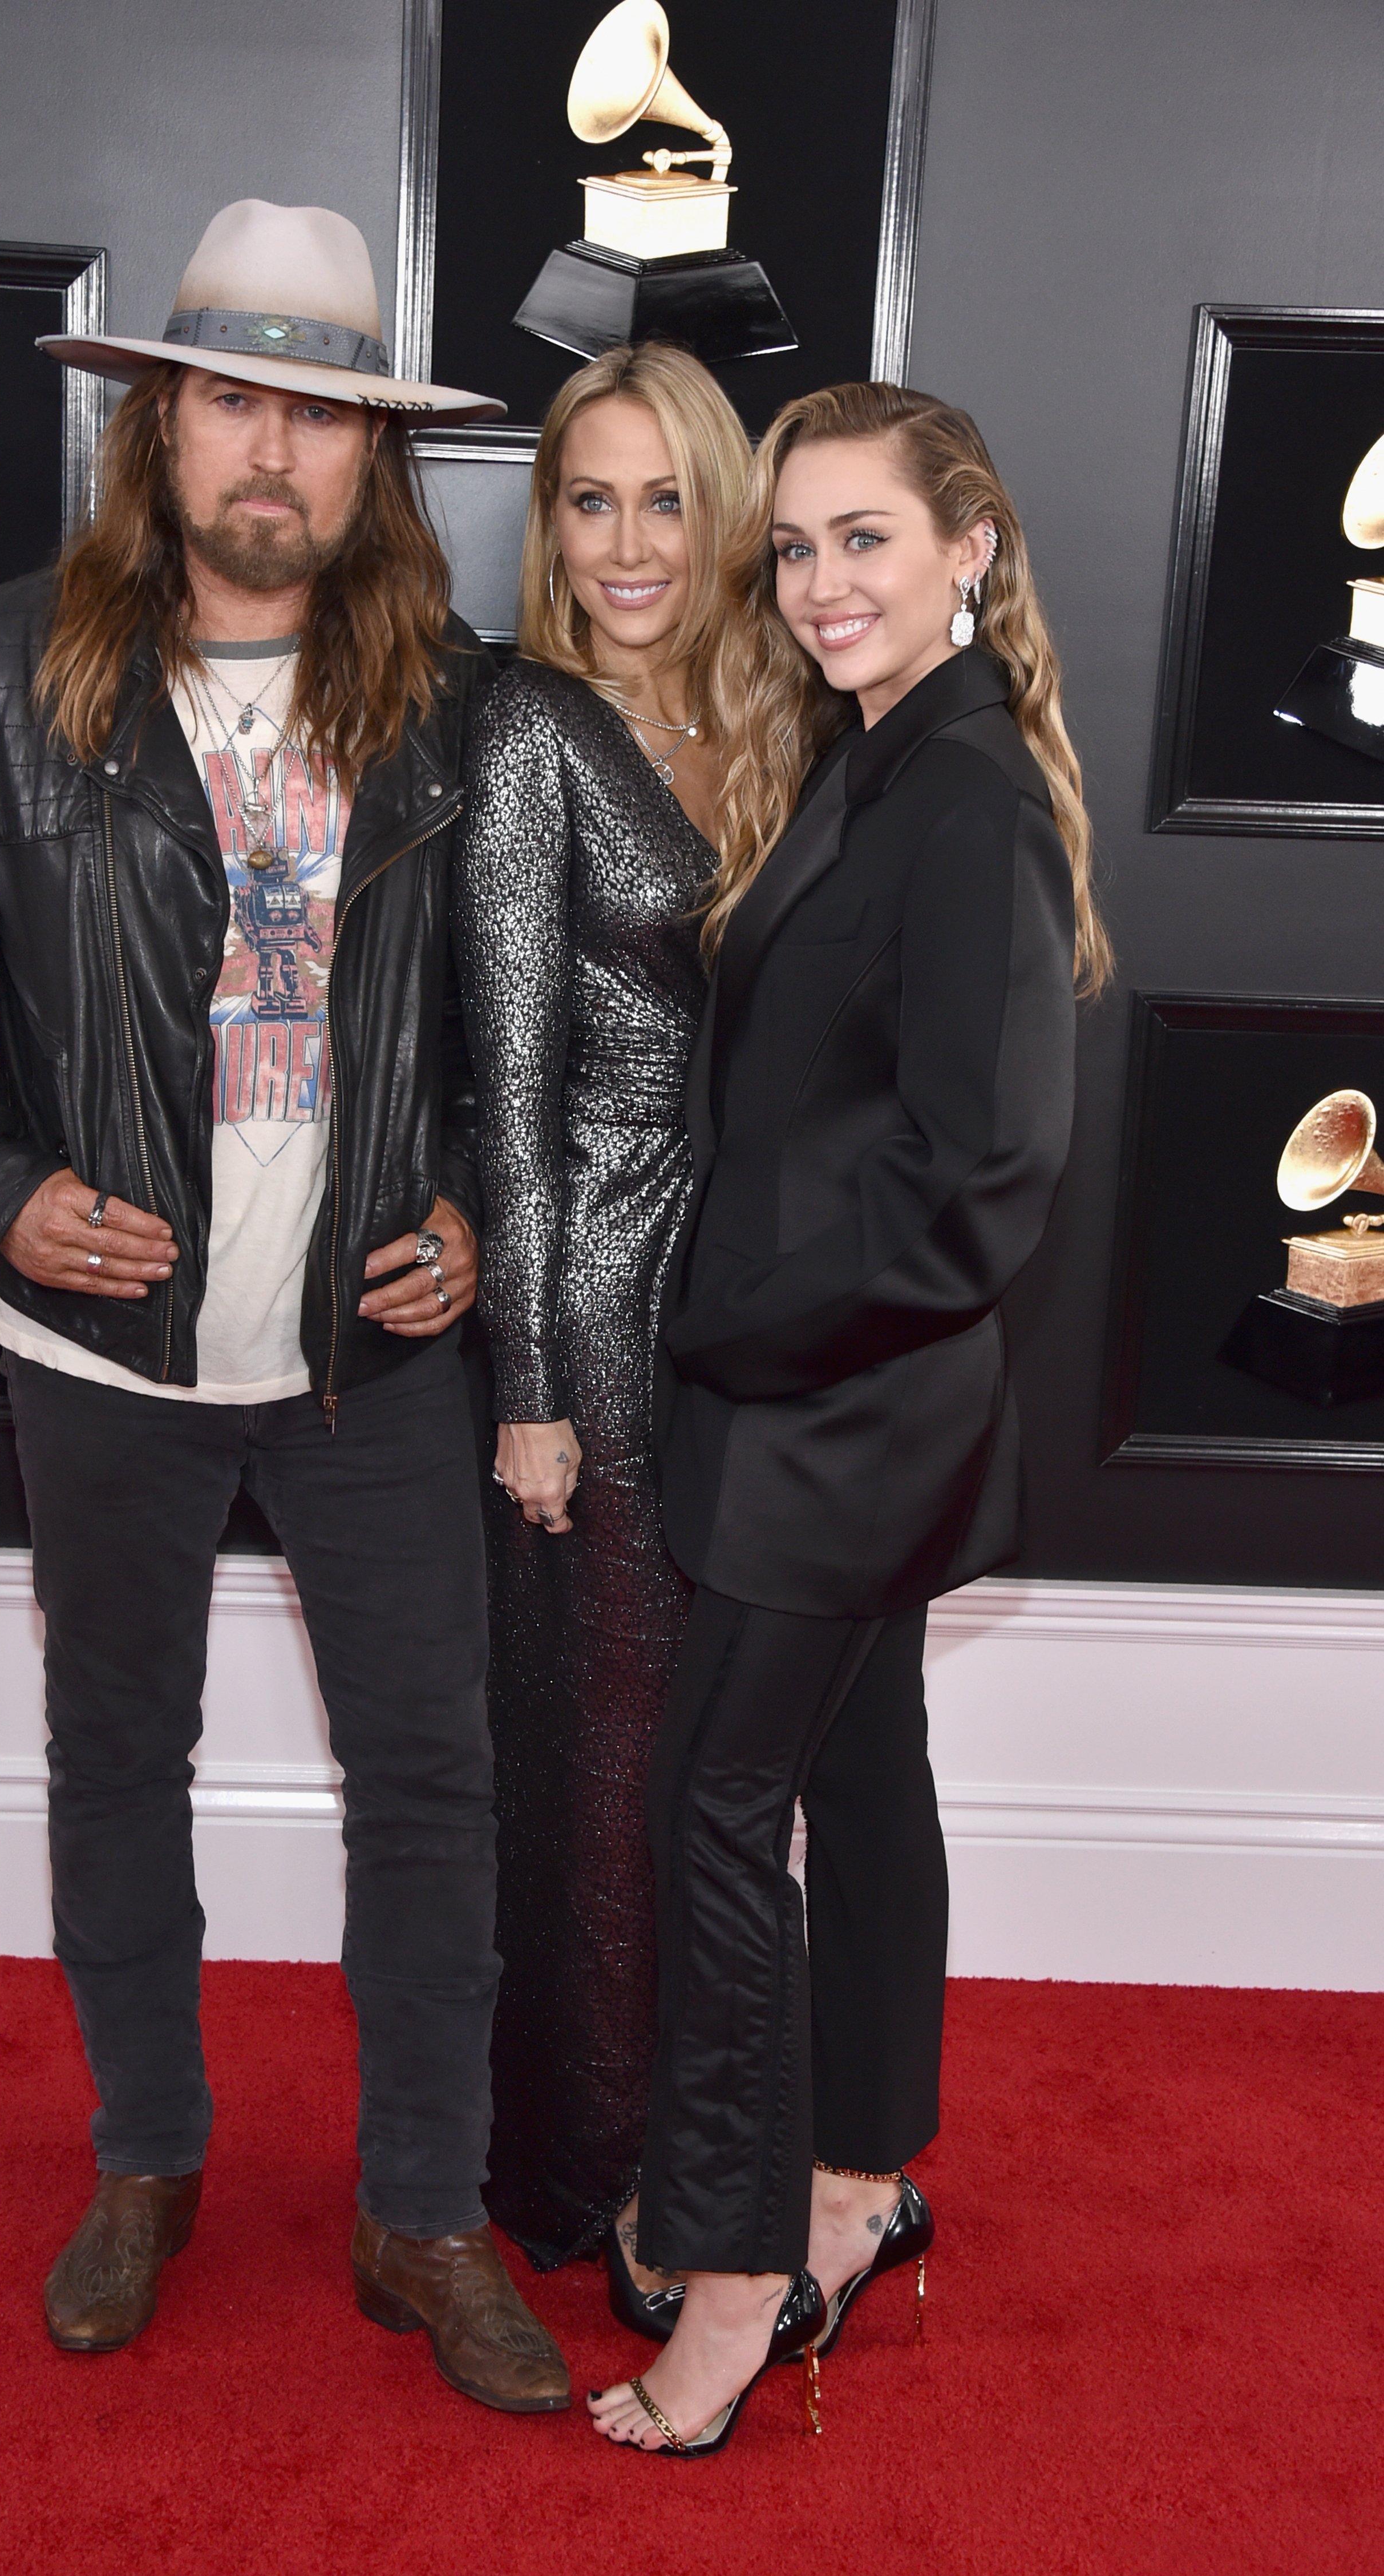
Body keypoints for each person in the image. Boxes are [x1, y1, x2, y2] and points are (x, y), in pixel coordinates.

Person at [0, 199, 572, 2416]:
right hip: (102, 1366)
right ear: (160, 426)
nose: (275, 450)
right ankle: (148, 2157)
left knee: (436, 1786)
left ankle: (420, 2207)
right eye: (235, 397)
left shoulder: (465, 710)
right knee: (114, 1761)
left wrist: (460, 1211)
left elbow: (506, 1025)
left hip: (371, 1363)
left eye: (322, 414)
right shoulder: (1, 674)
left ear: (373, 463)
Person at [589, 380, 1110, 2454]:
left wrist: (732, 1322)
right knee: (865, 1775)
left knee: (715, 1808)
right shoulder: (884, 753)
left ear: (969, 545)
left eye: (865, 541)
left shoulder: (970, 792)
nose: (820, 586)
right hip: (845, 1402)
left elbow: (986, 1178)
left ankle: (735, 2274)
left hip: (837, 1411)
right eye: (793, 549)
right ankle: (858, 2175)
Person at [451, 345, 752, 2283]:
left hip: (764, 1299)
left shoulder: (786, 710)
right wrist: (536, 1386)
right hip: (604, 1282)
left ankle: (717, 2137)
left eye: (664, 499)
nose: (629, 542)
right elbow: (512, 1090)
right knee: (612, 1752)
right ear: (547, 520)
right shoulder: (525, 729)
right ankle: (597, 2177)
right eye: (590, 498)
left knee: (725, 1758)